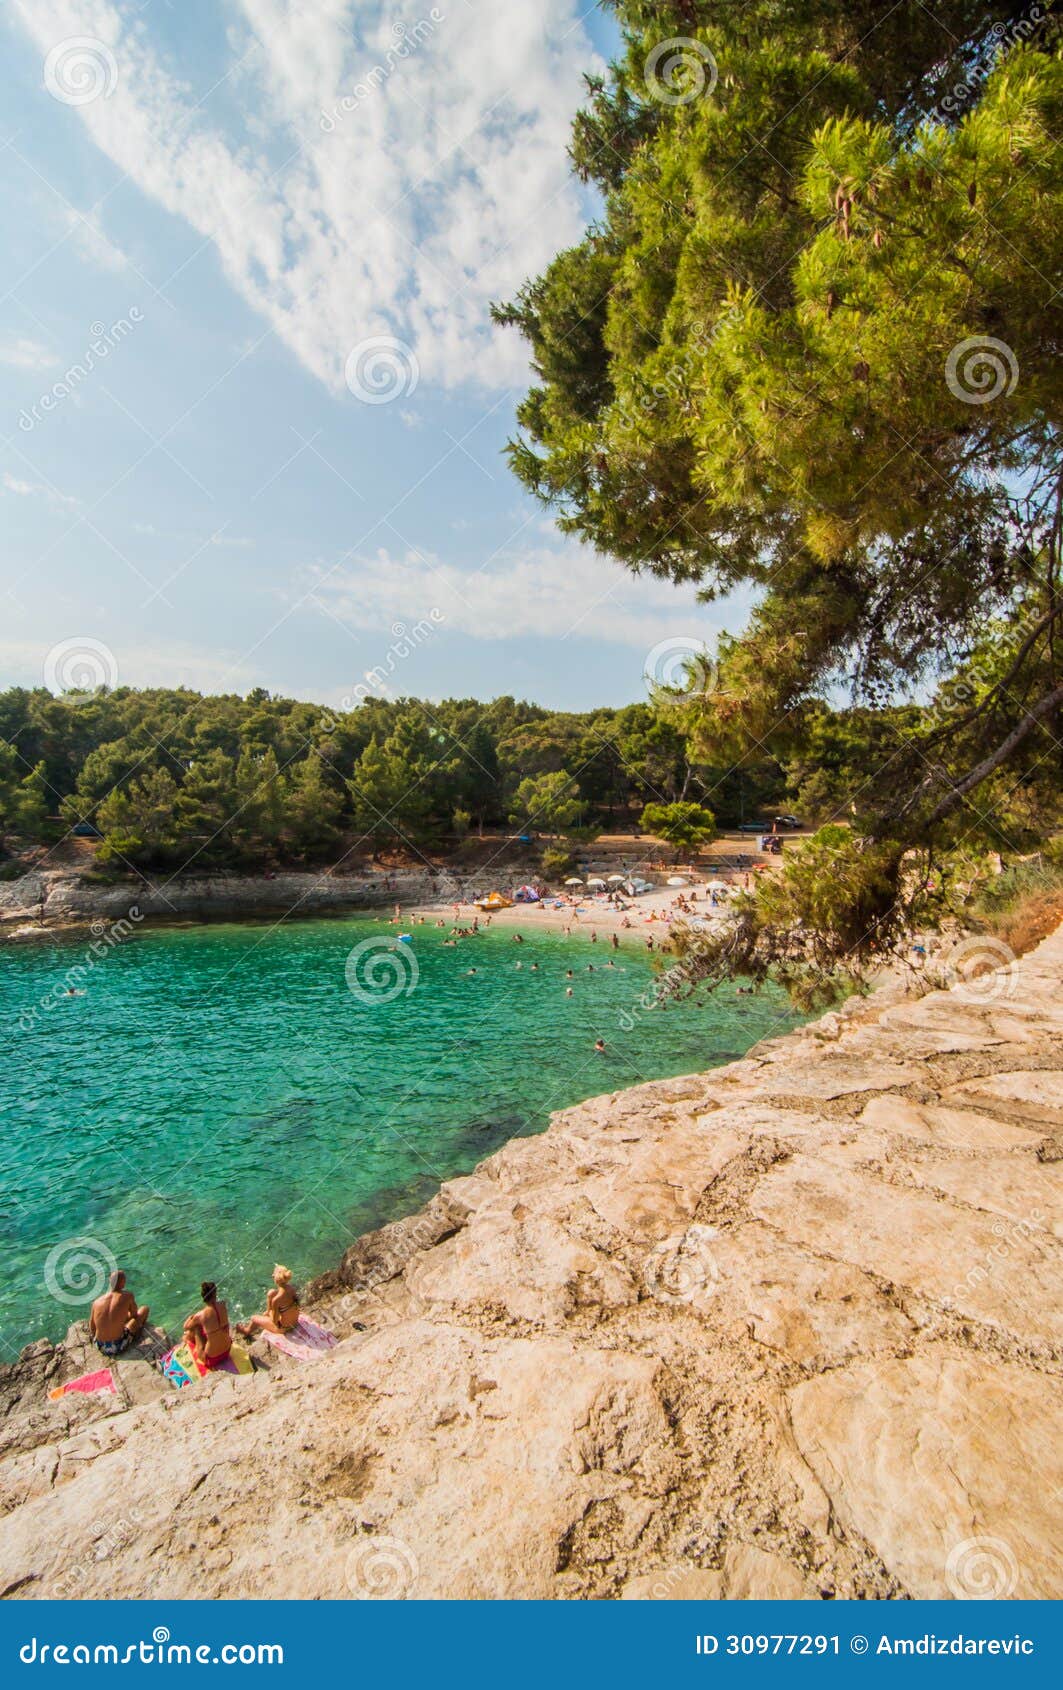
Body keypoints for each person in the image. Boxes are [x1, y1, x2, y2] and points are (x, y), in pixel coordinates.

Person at [89, 1270, 149, 1357]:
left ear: (110, 1281)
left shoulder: (97, 1302)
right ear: (123, 1283)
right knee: (144, 1309)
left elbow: (92, 1328)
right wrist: (122, 1317)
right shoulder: (128, 1296)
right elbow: (134, 1315)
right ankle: (137, 1336)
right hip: (118, 1345)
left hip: (100, 1345)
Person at [237, 1265, 300, 1338]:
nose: (272, 1275)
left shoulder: (276, 1300)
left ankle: (246, 1331)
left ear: (274, 1278)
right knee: (271, 1292)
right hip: (295, 1322)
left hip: (283, 1328)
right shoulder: (291, 1289)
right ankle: (267, 1311)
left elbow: (275, 1322)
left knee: (253, 1318)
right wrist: (270, 1310)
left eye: (273, 1273)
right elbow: (297, 1305)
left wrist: (270, 1313)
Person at [184, 1281, 232, 1370]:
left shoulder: (200, 1315)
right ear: (215, 1293)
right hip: (227, 1351)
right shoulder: (223, 1305)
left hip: (211, 1359)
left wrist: (190, 1317)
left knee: (196, 1328)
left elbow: (186, 1326)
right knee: (214, 1328)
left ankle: (187, 1342)